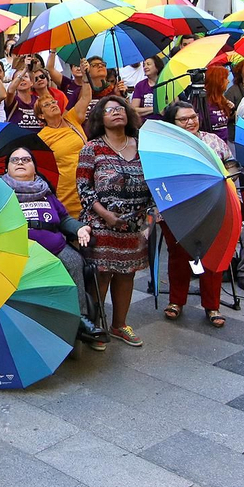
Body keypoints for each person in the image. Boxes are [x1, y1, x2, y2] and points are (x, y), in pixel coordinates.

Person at [78, 96, 154, 348]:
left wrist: (149, 221)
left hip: (135, 225)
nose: (117, 112)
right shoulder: (92, 148)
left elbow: (156, 183)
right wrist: (106, 215)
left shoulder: (144, 145)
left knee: (127, 274)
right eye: (109, 110)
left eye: (120, 108)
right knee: (101, 275)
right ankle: (96, 326)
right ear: (100, 118)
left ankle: (120, 324)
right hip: (101, 223)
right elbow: (84, 188)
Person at [158, 102, 239, 328]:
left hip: (213, 207)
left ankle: (212, 305)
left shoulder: (213, 140)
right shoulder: (165, 146)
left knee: (212, 258)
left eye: (193, 117)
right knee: (178, 258)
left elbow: (231, 164)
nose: (191, 122)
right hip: (177, 209)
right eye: (183, 119)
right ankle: (176, 301)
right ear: (172, 123)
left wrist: (226, 175)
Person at [3, 145, 93, 330]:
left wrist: (79, 229)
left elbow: (64, 218)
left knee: (75, 261)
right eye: (15, 160)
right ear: (6, 168)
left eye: (26, 159)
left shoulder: (46, 192)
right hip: (18, 252)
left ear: (34, 167)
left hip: (55, 248)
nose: (20, 162)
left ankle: (80, 318)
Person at [34, 94, 87, 217]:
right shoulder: (41, 138)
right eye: (47, 105)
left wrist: (85, 79)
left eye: (53, 102)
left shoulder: (71, 119)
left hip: (87, 186)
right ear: (41, 116)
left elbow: (85, 98)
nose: (52, 105)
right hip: (65, 192)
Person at [202, 66, 234, 142]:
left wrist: (231, 110)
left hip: (224, 145)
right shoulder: (203, 101)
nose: (228, 81)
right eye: (225, 79)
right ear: (218, 80)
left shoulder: (222, 100)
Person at [131, 55, 163, 121]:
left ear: (157, 66)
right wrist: (155, 109)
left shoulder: (166, 83)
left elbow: (173, 108)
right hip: (144, 123)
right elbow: (134, 109)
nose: (145, 67)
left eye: (148, 64)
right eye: (144, 65)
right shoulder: (140, 86)